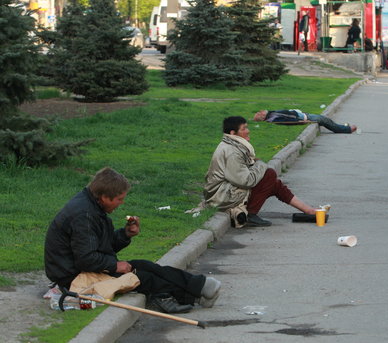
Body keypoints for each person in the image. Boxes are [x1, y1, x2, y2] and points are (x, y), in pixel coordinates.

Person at [44, 167, 222, 313]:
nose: (121, 203)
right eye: (119, 199)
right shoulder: (85, 215)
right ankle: (197, 292)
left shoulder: (93, 207)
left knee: (144, 265)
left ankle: (199, 286)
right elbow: (86, 258)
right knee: (140, 276)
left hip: (82, 266)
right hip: (72, 276)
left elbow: (101, 246)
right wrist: (114, 266)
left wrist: (125, 234)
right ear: (105, 197)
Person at [204, 116, 319, 227]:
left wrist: (257, 165)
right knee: (269, 175)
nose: (248, 131)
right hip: (221, 196)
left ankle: (308, 210)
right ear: (233, 133)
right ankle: (250, 214)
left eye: (247, 127)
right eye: (244, 129)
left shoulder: (233, 145)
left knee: (273, 183)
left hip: (226, 191)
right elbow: (246, 181)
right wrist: (261, 165)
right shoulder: (231, 152)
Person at [253, 109, 357, 134]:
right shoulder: (273, 117)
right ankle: (346, 129)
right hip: (305, 117)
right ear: (262, 116)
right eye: (260, 112)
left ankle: (344, 127)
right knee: (325, 121)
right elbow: (288, 120)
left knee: (326, 120)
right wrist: (303, 121)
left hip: (304, 114)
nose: (262, 110)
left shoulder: (272, 114)